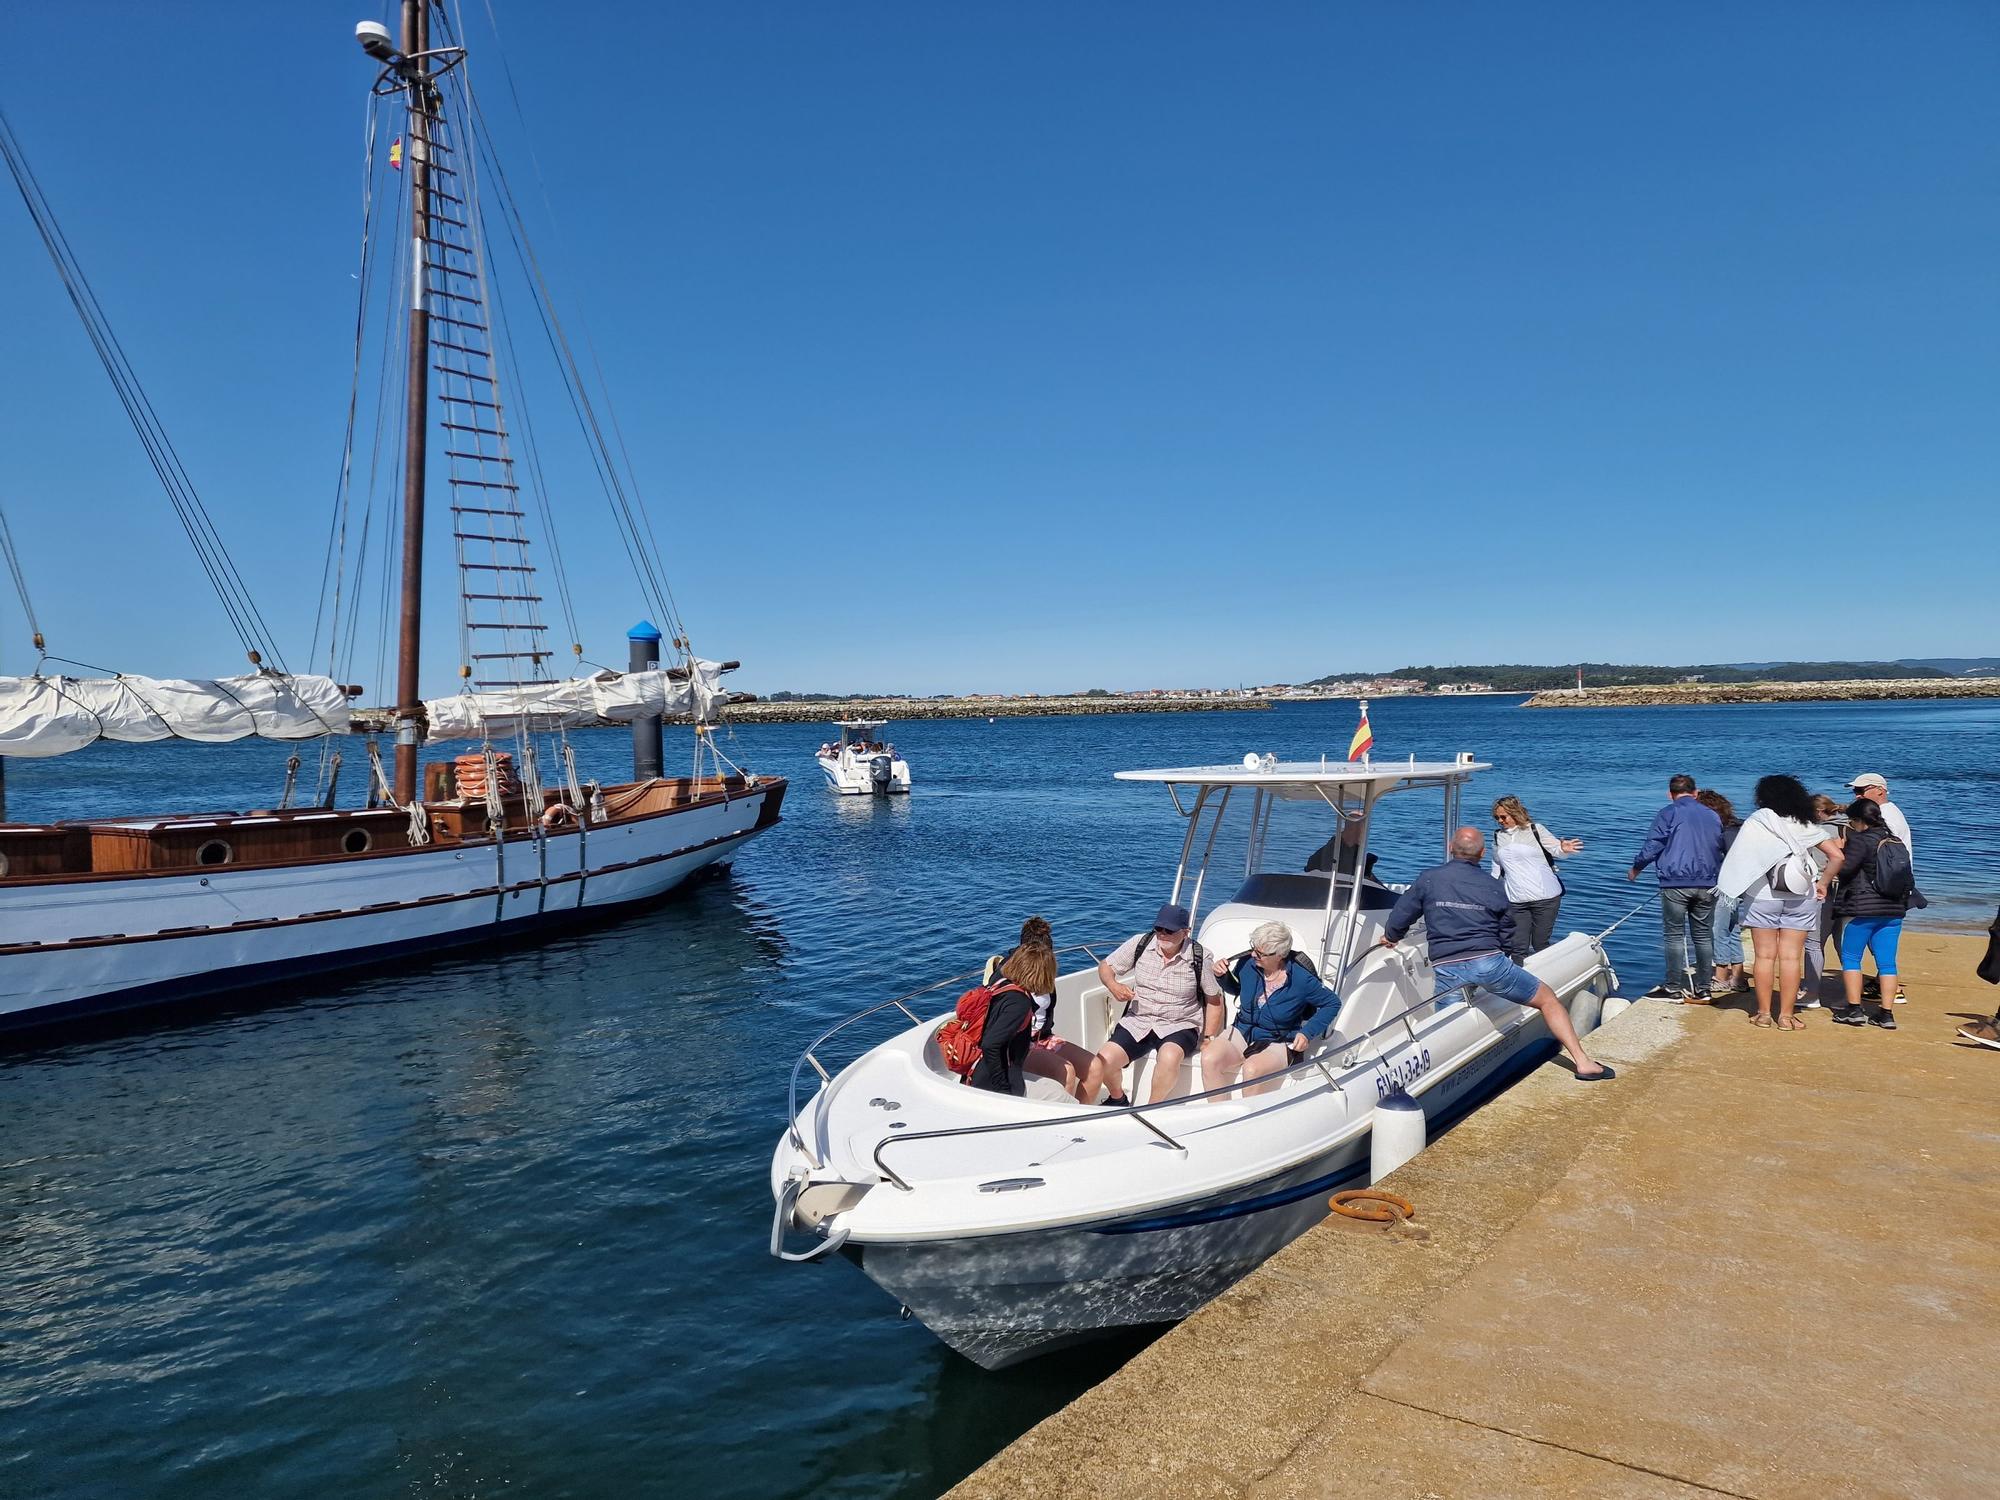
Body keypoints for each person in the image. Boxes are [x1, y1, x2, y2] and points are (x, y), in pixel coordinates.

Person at [1380, 828, 1612, 1081]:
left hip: (1447, 965)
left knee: (1448, 1024)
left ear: (1450, 847)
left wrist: (1391, 937)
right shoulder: (1493, 886)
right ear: (1482, 853)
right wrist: (1507, 954)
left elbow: (1403, 913)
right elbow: (1508, 929)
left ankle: (1442, 1080)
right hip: (1488, 963)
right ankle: (1583, 1062)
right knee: (1548, 1000)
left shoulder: (1429, 878)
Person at [1716, 775, 1845, 1031]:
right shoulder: (1805, 824)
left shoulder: (1758, 822)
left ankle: (1763, 1014)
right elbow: (1837, 856)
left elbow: (1740, 858)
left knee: (1764, 956)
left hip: (1762, 897)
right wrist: (1823, 882)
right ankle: (1786, 1017)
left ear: (1763, 797)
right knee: (1790, 958)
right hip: (1801, 896)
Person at [1084, 903, 1223, 1106]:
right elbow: (1106, 966)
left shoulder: (1200, 956)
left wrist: (1209, 1037)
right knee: (1103, 1060)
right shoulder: (1140, 943)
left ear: (1185, 932)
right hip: (1139, 1019)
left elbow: (1214, 1000)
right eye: (1158, 929)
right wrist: (1114, 986)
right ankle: (1117, 1098)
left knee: (1169, 1057)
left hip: (1180, 1023)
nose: (1162, 935)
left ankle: (1151, 1108)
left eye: (1169, 930)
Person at [1200, 921, 1342, 1098]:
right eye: (1254, 948)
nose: (1253, 955)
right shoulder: (1247, 964)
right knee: (1209, 1058)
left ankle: (1250, 1120)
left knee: (1251, 1069)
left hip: (1278, 1039)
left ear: (1280, 955)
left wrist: (1307, 1033)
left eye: (1260, 953)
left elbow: (1332, 1003)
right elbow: (1237, 989)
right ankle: (1220, 1115)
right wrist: (1222, 976)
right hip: (1244, 1030)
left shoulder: (1301, 978)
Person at [1627, 774, 1726, 1001]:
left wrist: (1637, 867)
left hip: (1676, 882)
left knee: (1673, 935)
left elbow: (1654, 844)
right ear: (1696, 792)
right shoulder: (1712, 815)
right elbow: (1720, 845)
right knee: (1702, 935)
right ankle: (1704, 988)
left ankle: (1672, 987)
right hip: (1708, 881)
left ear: (1670, 794)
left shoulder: (1668, 812)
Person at [985, 917, 1096, 1101]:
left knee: (1094, 1067)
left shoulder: (1040, 973)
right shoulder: (1011, 988)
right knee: (1067, 1072)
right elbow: (992, 1042)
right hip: (1019, 1045)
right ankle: (1059, 1121)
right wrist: (1002, 1090)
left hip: (1042, 1037)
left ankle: (1080, 1117)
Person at [1831, 798, 1910, 1031]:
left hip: (1864, 909)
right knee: (1887, 963)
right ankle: (1886, 1014)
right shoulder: (1896, 841)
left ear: (1859, 820)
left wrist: (1839, 849)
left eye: (1852, 821)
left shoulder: (1861, 840)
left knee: (1851, 957)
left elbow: (1846, 871)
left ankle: (1854, 1009)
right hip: (1894, 909)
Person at [1488, 795, 1581, 958]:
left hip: (1545, 898)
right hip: (1516, 900)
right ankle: (1518, 980)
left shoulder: (1535, 829)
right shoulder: (1497, 836)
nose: (1500, 821)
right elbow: (1497, 867)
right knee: (1517, 946)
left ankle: (1550, 977)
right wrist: (1489, 892)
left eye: (1503, 817)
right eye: (1497, 818)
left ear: (1515, 813)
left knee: (1540, 943)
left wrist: (1564, 850)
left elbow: (1556, 850)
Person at [1848, 773, 1913, 1003]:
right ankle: (1882, 985)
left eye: (1861, 790)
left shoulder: (1885, 816)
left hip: (1885, 887)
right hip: (1894, 885)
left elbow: (1880, 853)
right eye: (1855, 791)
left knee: (1876, 938)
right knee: (1880, 937)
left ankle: (1892, 990)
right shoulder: (1889, 813)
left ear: (1879, 790)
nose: (1856, 795)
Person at [966, 943, 1054, 1095]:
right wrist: (1003, 1089)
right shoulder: (1019, 1003)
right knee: (1063, 1099)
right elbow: (990, 1045)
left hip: (982, 1071)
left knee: (1055, 1088)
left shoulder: (1002, 985)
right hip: (993, 1081)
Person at [1799, 793, 1848, 1008]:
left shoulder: (1822, 832)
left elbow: (1820, 866)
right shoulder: (1849, 827)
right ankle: (1851, 994)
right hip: (1849, 892)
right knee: (1844, 945)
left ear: (1818, 812)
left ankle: (1812, 993)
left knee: (1814, 942)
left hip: (1825, 889)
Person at [1696, 789, 1744, 993]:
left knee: (1718, 929)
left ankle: (1721, 977)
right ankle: (1738, 978)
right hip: (1738, 885)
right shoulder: (1737, 828)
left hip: (1724, 886)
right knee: (1732, 929)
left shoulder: (1724, 832)